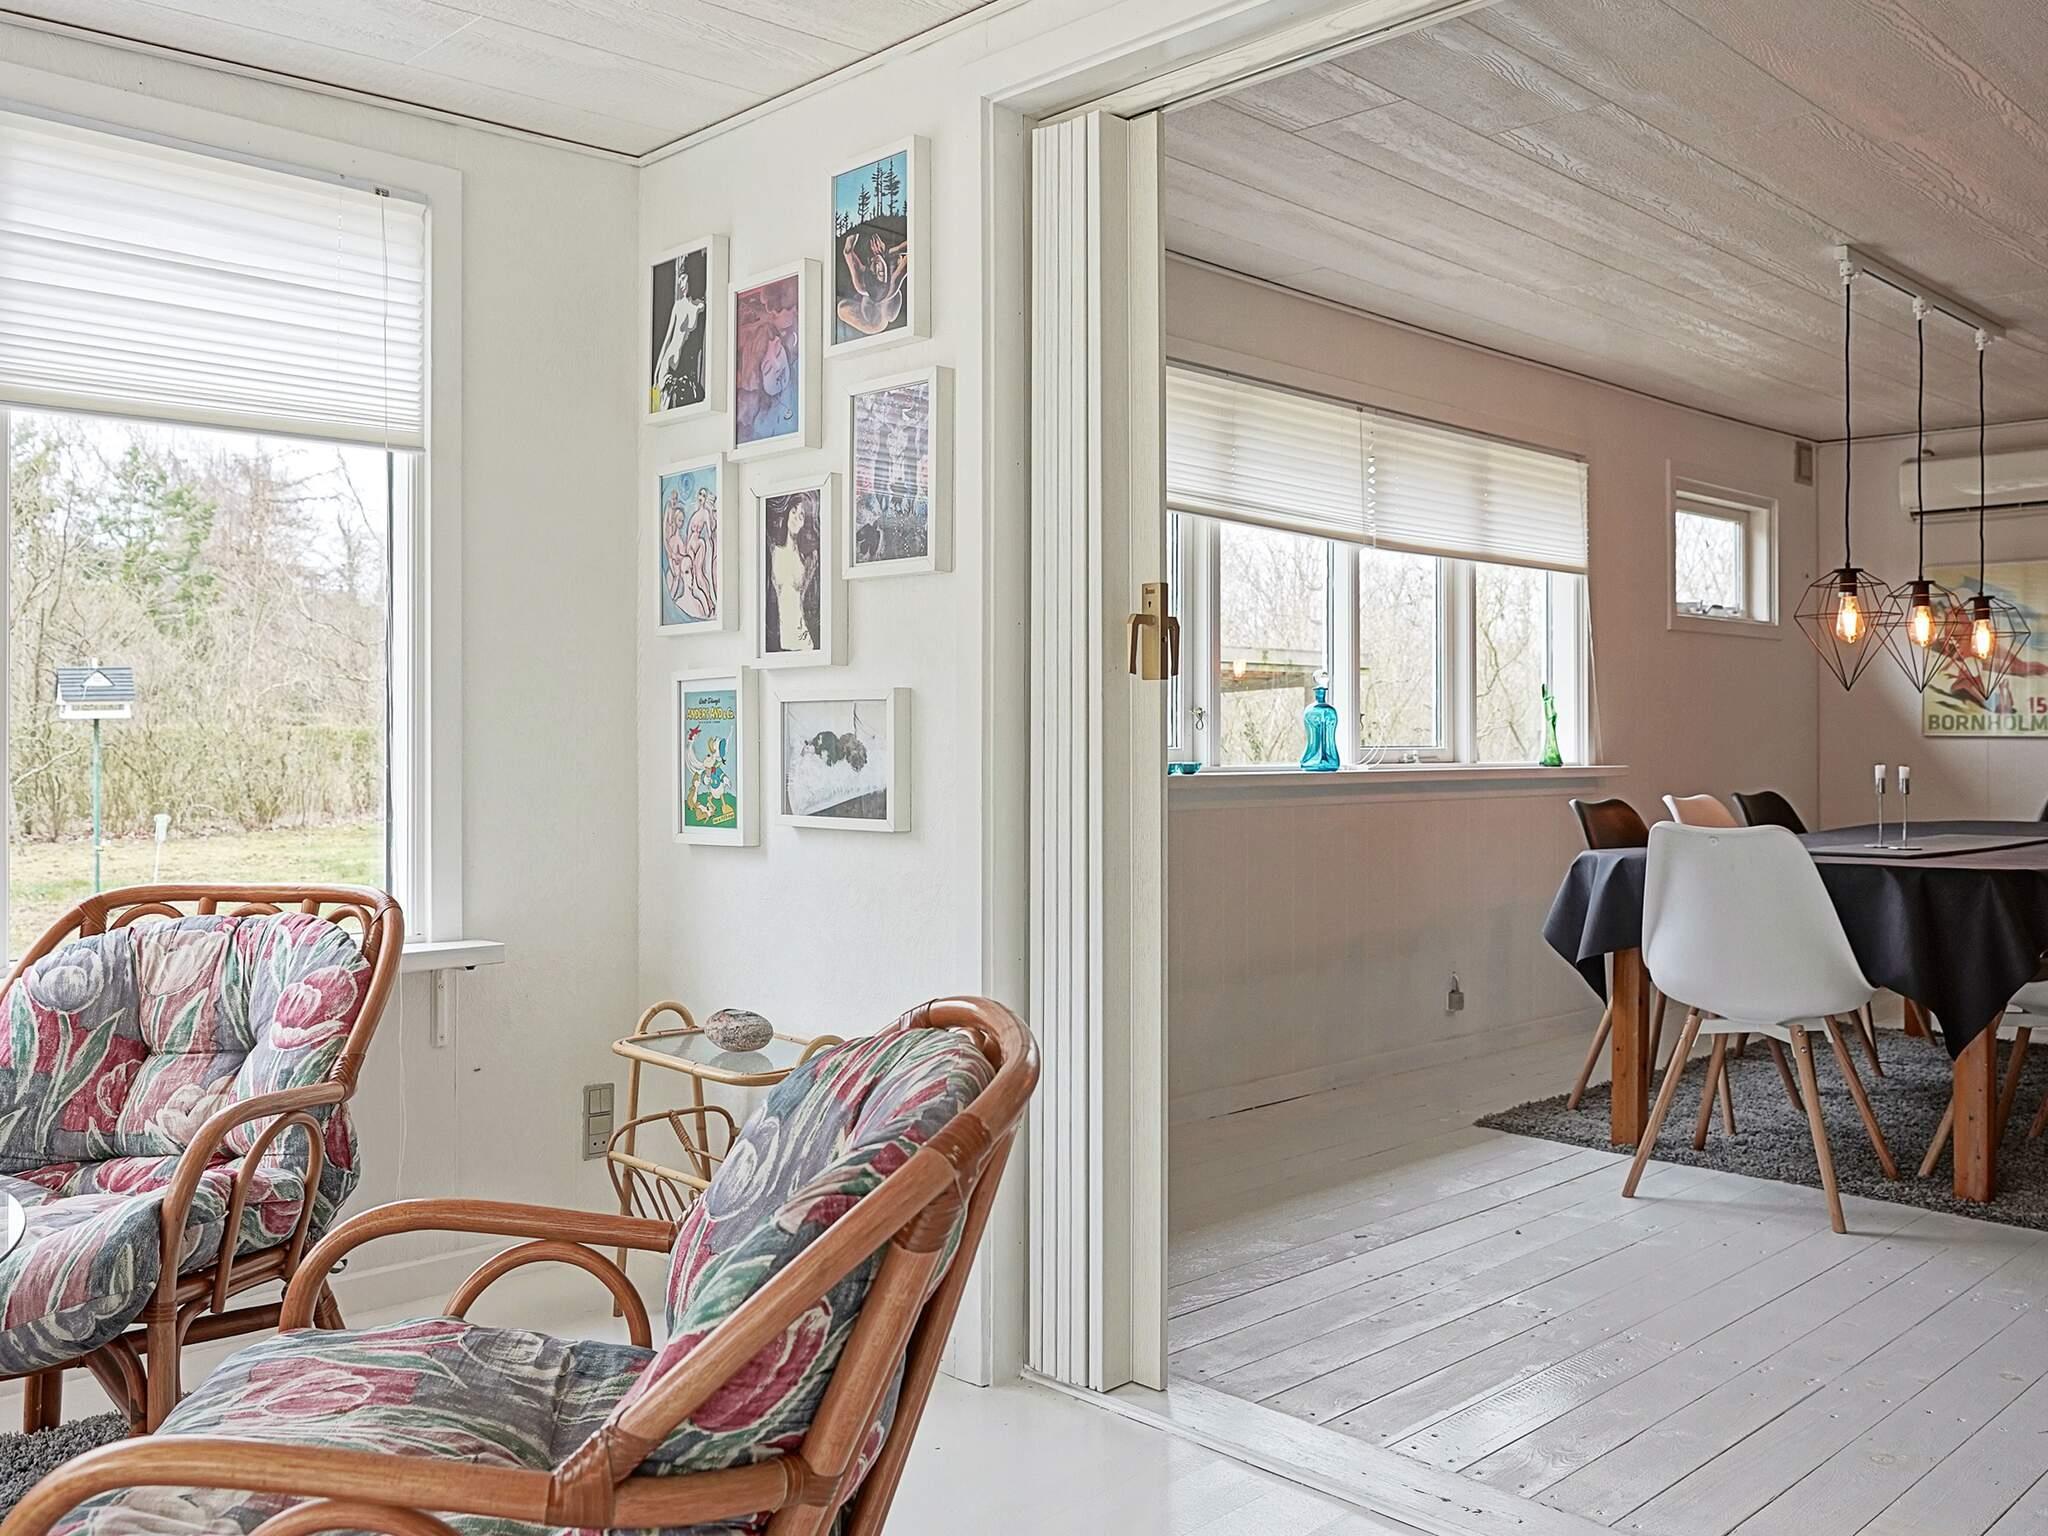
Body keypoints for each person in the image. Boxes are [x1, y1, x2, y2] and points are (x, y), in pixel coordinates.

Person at [837, 229, 909, 338]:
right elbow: (914, 248)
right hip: (879, 320)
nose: (877, 265)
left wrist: (855, 228)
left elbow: (847, 251)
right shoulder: (891, 287)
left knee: (842, 308)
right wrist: (891, 251)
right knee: (887, 317)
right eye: (880, 272)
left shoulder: (861, 284)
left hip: (875, 315)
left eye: (872, 271)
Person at [653, 260, 704, 411]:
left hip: (684, 368)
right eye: (679, 279)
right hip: (668, 364)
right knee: (663, 407)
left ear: (691, 278)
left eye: (683, 278)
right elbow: (667, 339)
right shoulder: (678, 306)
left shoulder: (700, 307)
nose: (680, 283)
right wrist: (656, 371)